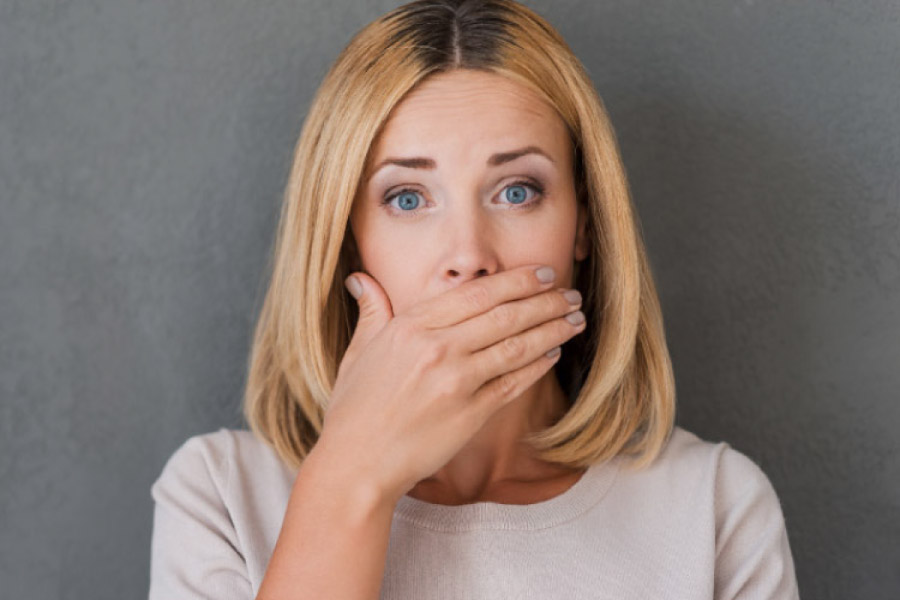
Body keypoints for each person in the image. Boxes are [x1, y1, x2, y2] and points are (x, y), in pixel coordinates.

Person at [148, 1, 800, 598]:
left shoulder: (712, 507)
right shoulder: (222, 496)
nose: (469, 256)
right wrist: (349, 480)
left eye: (516, 191)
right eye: (407, 199)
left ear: (585, 226)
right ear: (346, 246)